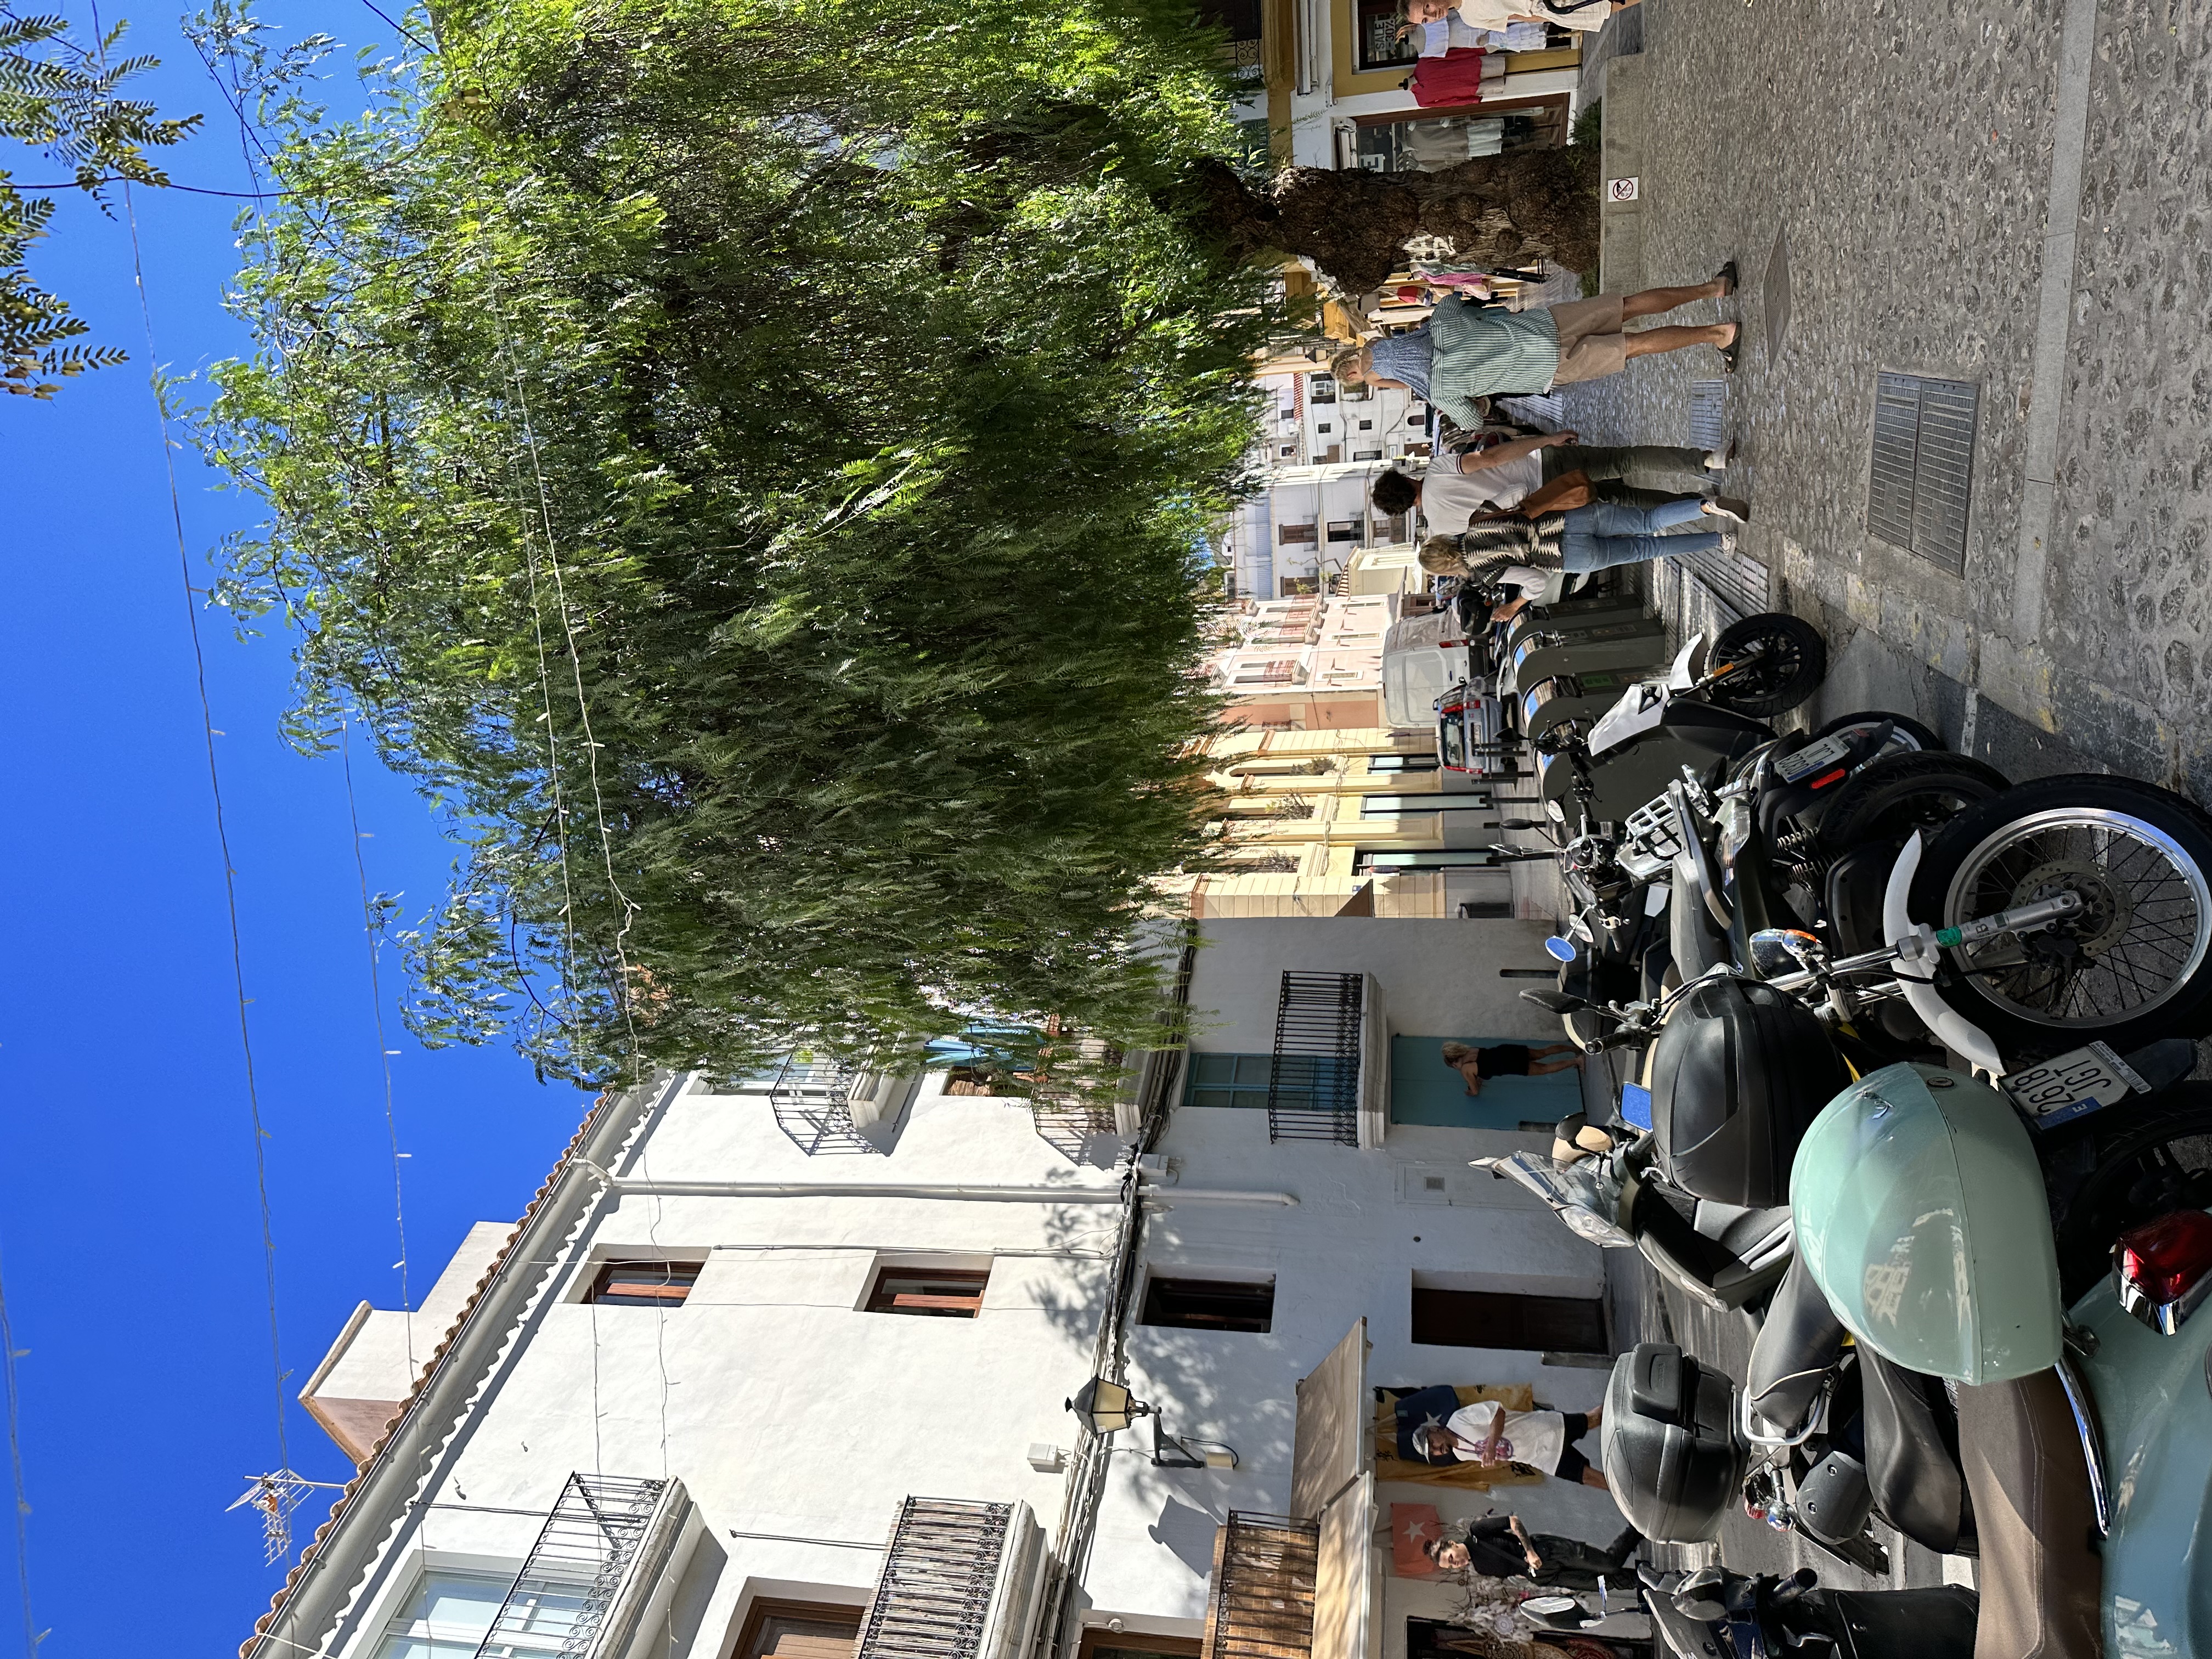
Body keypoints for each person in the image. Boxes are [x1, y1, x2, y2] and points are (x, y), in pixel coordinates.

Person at [1331, 270, 1740, 431]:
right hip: (1544, 325)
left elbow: (1474, 423)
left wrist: (1481, 397)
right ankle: (1713, 288)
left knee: (1634, 347)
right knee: (1627, 305)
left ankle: (1717, 335)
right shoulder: (1440, 322)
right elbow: (1457, 299)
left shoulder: (1439, 393)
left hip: (1544, 371)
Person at [1418, 491, 1747, 623]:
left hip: (1567, 556)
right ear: (1443, 538)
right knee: (1649, 520)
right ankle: (1706, 506)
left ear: (1446, 568)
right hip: (1569, 518)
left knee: (1649, 548)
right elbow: (1518, 489)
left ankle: (1720, 539)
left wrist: (1516, 605)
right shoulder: (1479, 519)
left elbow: (1536, 580)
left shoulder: (1483, 571)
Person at [1372, 433, 1739, 535]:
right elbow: (1489, 459)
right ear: (1405, 478)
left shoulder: (1442, 528)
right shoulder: (1438, 470)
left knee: (1623, 497)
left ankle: (1701, 504)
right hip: (1542, 467)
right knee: (1622, 459)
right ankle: (1705, 461)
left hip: (1548, 506)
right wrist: (1543, 441)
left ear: (1403, 509)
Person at [1417, 1396, 1610, 1489]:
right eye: (1432, 1453)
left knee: (1594, 1419)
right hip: (1540, 1457)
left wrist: (1491, 1446)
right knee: (1588, 1478)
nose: (1437, 1450)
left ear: (1434, 1430)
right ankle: (1635, 1498)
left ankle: (1622, 1395)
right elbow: (1502, 1457)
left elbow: (1497, 1412)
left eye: (1432, 1443)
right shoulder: (1459, 1454)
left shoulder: (1459, 1419)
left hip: (1542, 1429)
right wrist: (1497, 1460)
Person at [1421, 1513, 1642, 1590]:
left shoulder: (1477, 1531)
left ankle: (1638, 1527)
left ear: (1452, 1544)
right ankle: (1647, 1580)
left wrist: (1530, 1551)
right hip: (1541, 1575)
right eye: (1450, 1566)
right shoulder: (1480, 1568)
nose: (1455, 1564)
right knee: (1601, 1583)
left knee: (1609, 1564)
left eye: (1451, 1559)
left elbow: (1514, 1522)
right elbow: (1511, 1572)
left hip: (1545, 1551)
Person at [1440, 1039, 1582, 1095]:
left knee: (1545, 1069)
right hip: (1507, 1051)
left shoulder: (1465, 1070)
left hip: (1508, 1064)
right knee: (1543, 1052)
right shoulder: (1471, 1050)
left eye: (1454, 1067)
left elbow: (1475, 1090)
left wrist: (1470, 1092)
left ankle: (1577, 1061)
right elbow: (1484, 1064)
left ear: (1454, 1063)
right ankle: (1574, 1048)